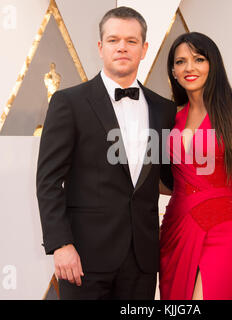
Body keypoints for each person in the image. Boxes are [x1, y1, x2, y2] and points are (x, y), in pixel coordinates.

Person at [36, 6, 176, 300]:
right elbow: (48, 181)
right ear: (101, 48)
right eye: (113, 40)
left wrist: (221, 194)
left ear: (144, 48)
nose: (122, 47)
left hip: (142, 260)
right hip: (83, 257)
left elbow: (165, 178)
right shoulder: (69, 103)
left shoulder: (163, 109)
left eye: (131, 41)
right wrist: (61, 244)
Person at [159, 32, 232, 300]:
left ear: (213, 64)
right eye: (180, 62)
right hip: (175, 230)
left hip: (220, 229)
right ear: (173, 70)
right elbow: (172, 181)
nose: (189, 68)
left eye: (198, 59)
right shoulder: (172, 117)